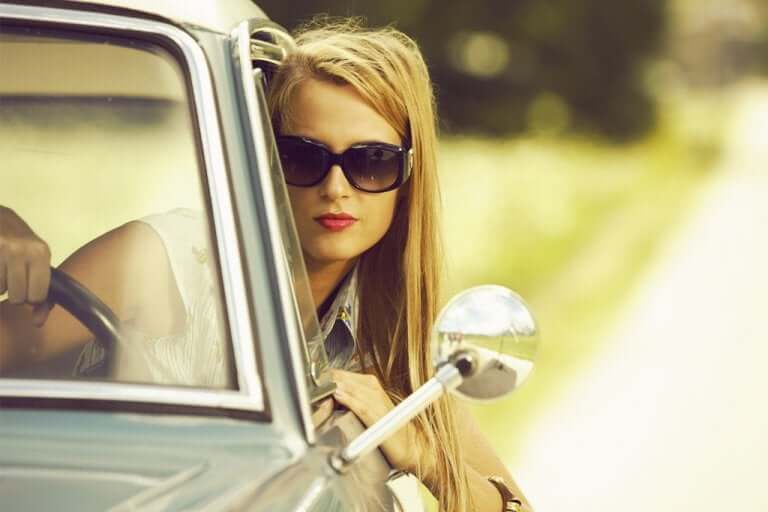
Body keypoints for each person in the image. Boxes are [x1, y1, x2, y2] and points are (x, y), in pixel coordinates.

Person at [0, 18, 532, 512]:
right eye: (305, 157)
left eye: (372, 162)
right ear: (266, 160)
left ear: (408, 174)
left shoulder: (391, 335)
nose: (336, 188)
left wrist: (422, 453)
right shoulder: (167, 258)